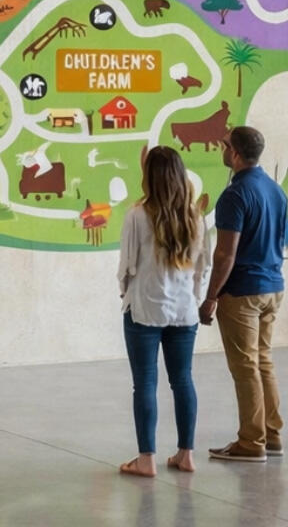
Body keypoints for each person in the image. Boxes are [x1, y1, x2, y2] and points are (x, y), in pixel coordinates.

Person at [117, 145, 210, 477]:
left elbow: (126, 267)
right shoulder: (195, 217)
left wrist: (124, 294)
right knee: (182, 380)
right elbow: (202, 267)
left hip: (144, 309)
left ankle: (146, 460)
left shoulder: (137, 215)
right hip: (184, 313)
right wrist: (194, 298)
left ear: (149, 178)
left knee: (144, 383)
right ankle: (186, 454)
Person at [199, 125, 288, 463]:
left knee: (245, 366)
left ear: (234, 153)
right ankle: (272, 434)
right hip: (272, 288)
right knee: (263, 360)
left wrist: (211, 296)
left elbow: (225, 254)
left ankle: (251, 442)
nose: (222, 149)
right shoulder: (276, 191)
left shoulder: (234, 195)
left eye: (224, 145)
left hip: (242, 293)